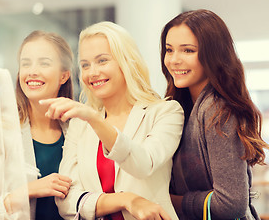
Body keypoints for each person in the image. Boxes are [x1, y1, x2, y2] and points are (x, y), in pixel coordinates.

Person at [40, 21, 184, 220]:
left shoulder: (165, 112)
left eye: (102, 61)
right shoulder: (80, 124)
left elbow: (143, 164)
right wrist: (127, 200)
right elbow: (67, 201)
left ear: (125, 61)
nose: (92, 72)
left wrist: (94, 119)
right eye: (85, 65)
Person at [160, 9, 269, 220]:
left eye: (188, 51)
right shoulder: (180, 106)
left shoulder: (218, 111)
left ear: (213, 55)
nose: (174, 60)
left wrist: (170, 200)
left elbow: (231, 204)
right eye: (169, 49)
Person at [4, 30, 74, 220]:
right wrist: (28, 190)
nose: (32, 71)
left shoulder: (79, 130)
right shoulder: (1, 132)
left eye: (44, 63)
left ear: (64, 76)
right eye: (26, 63)